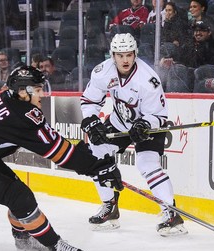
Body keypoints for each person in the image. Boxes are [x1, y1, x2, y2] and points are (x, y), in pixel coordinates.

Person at [0, 65, 124, 251]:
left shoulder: (8, 100)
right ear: (23, 91)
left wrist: (89, 162)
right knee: (19, 196)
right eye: (38, 90)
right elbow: (60, 153)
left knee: (19, 194)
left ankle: (23, 239)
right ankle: (55, 245)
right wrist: (97, 167)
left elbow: (56, 145)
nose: (42, 94)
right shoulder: (23, 115)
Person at [80, 33, 188, 236]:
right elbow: (90, 101)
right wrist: (91, 120)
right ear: (113, 55)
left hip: (147, 125)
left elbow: (158, 115)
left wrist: (144, 124)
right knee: (96, 155)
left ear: (135, 53)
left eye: (129, 54)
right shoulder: (103, 72)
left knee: (147, 163)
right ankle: (109, 207)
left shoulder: (148, 80)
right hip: (119, 121)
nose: (125, 60)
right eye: (120, 55)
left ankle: (170, 213)